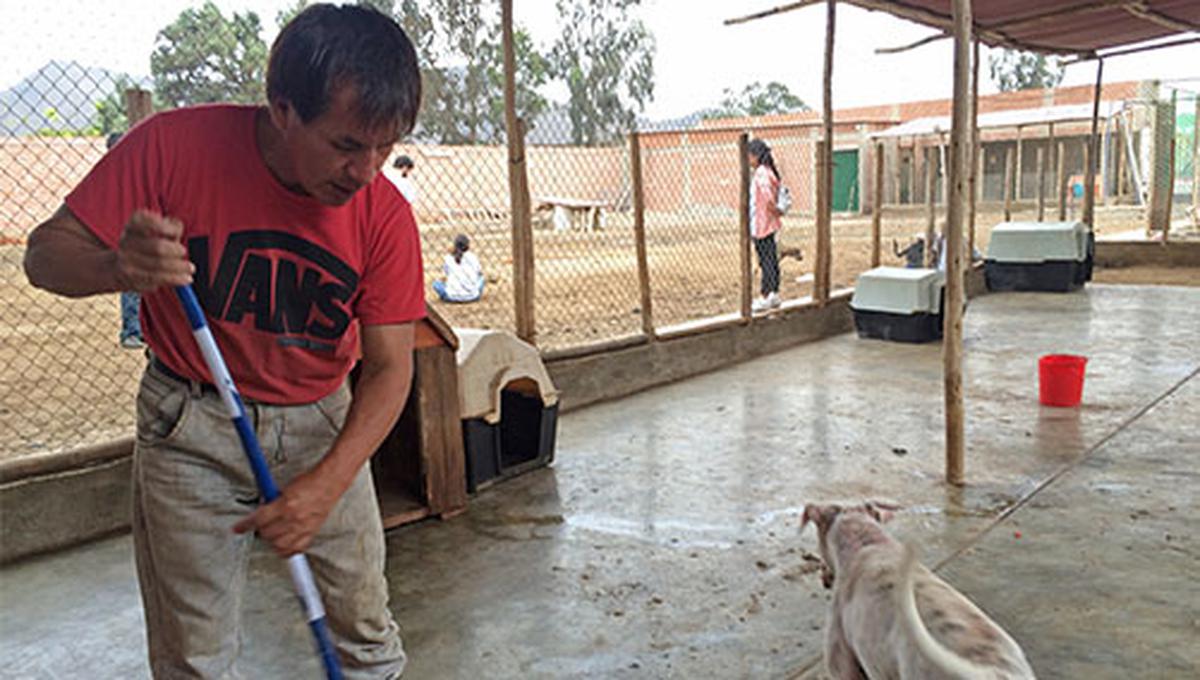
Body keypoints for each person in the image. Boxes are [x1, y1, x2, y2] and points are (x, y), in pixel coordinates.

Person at [23, 5, 422, 678]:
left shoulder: (383, 213)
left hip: (323, 422)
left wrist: (327, 485)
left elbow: (388, 370)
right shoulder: (173, 148)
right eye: (348, 145)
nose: (367, 172)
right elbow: (43, 257)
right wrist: (115, 269)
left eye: (386, 148)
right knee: (195, 658)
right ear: (282, 108)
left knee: (366, 635)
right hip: (191, 427)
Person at [108, 131, 146, 349]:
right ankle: (132, 331)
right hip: (128, 236)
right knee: (132, 286)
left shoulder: (134, 173)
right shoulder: (115, 176)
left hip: (142, 233)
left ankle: (140, 331)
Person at [747, 138, 784, 312]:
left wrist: (772, 208)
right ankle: (774, 294)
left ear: (755, 155)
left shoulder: (761, 172)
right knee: (771, 259)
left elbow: (767, 196)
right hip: (770, 223)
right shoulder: (770, 171)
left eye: (749, 156)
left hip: (761, 223)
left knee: (765, 260)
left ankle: (765, 295)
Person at [432, 234, 484, 303]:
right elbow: (480, 273)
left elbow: (444, 277)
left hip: (451, 296)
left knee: (436, 284)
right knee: (481, 278)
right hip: (473, 296)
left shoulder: (449, 258)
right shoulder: (473, 257)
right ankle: (469, 290)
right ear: (468, 246)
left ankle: (450, 294)